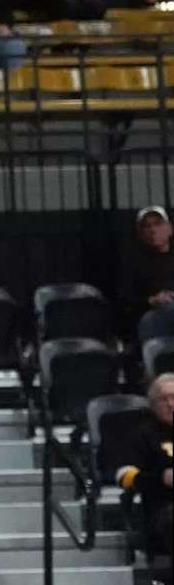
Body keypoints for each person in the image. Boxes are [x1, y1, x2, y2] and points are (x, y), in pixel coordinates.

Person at [113, 374, 173, 559]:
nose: (171, 405)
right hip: (162, 509)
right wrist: (161, 479)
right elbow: (123, 476)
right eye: (164, 399)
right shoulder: (141, 434)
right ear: (153, 404)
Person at [124, 206, 174, 343]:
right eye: (147, 226)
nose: (153, 230)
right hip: (151, 316)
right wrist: (152, 300)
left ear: (170, 229)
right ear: (140, 233)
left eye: (158, 224)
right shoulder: (132, 263)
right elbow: (124, 301)